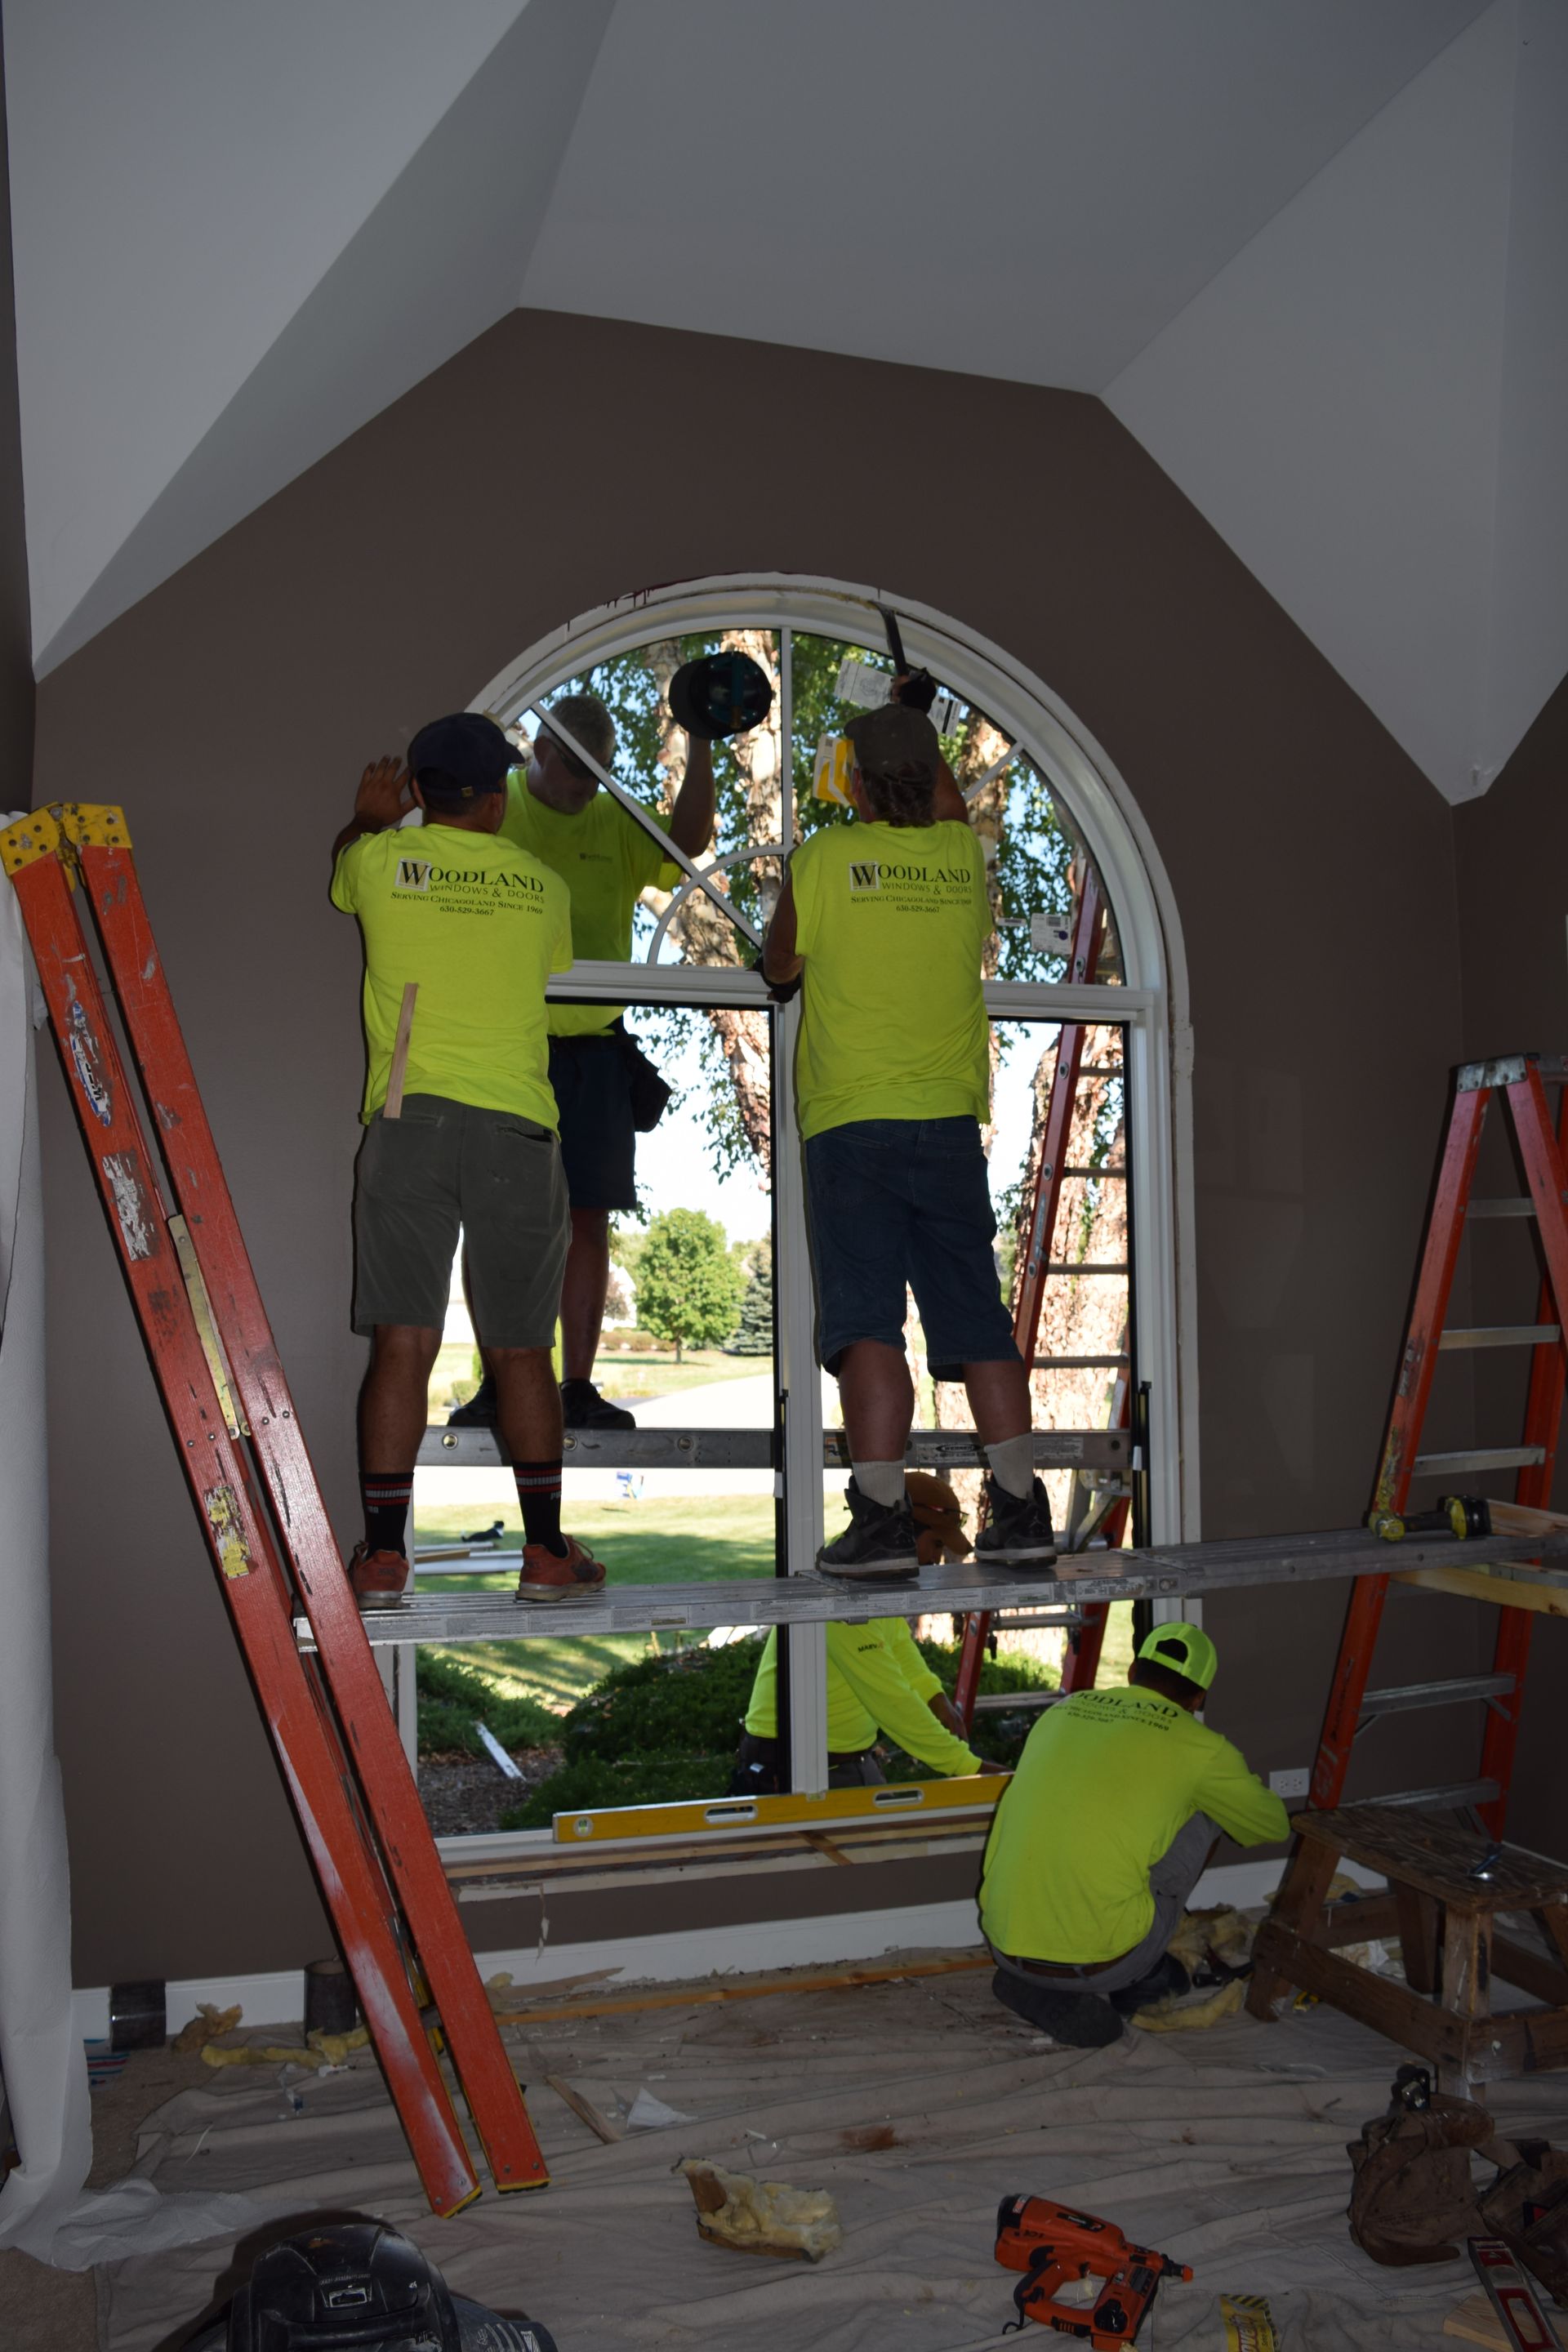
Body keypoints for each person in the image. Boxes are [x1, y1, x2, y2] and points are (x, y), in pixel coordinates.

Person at [760, 697, 1055, 1578]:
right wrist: (912, 722)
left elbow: (780, 964)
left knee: (866, 1324)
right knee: (978, 1321)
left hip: (855, 1124)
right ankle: (1021, 1510)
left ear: (851, 780)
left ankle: (883, 1521)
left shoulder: (827, 855)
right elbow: (952, 810)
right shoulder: (962, 856)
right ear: (933, 779)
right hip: (949, 1126)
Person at [331, 713, 608, 1609]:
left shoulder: (377, 862)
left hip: (410, 1120)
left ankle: (380, 1558)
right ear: (497, 800)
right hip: (517, 1130)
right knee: (525, 1349)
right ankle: (544, 1554)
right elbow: (550, 964)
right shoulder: (541, 886)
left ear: (418, 790)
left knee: (402, 1344)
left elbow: (349, 875)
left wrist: (372, 821)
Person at [451, 690, 716, 1432]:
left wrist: (698, 740)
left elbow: (688, 841)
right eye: (576, 774)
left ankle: (576, 1386)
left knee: (587, 1220)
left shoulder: (615, 822)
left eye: (600, 777)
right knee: (498, 1218)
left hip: (597, 1051)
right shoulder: (495, 809)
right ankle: (498, 1382)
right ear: (539, 751)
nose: (586, 791)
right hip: (508, 1046)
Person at [978, 1619, 1289, 2048]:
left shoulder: (1061, 1712)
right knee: (1213, 1808)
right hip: (1103, 1962)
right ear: (1198, 1698)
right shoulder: (1202, 1747)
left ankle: (1038, 1977)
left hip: (1004, 1943)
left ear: (1131, 1673)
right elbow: (1271, 1825)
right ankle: (1141, 1976)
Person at [731, 1473, 1005, 1787]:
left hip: (841, 1757)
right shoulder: (841, 1591)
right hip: (786, 1764)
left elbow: (898, 1646)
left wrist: (934, 1697)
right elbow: (891, 1699)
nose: (937, 1559)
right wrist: (968, 1767)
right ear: (903, 1531)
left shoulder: (873, 1571)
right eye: (936, 1544)